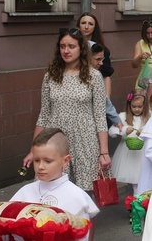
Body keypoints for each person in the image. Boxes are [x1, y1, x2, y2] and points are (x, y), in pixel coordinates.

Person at [24, 28, 110, 191]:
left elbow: (100, 116)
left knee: (85, 196)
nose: (66, 50)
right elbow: (44, 115)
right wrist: (33, 150)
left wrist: (103, 152)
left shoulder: (94, 77)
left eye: (71, 46)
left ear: (81, 49)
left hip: (85, 142)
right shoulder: (50, 76)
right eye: (63, 46)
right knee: (52, 192)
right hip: (55, 142)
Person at [12, 128, 99, 241]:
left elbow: (81, 236)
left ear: (65, 161)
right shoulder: (25, 191)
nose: (41, 166)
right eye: (37, 160)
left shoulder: (76, 196)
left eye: (48, 161)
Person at [109, 90, 151, 193]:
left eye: (140, 107)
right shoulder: (123, 116)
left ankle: (138, 201)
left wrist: (144, 131)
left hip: (143, 152)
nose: (136, 109)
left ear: (145, 106)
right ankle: (133, 200)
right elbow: (111, 131)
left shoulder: (149, 116)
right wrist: (124, 130)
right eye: (134, 106)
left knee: (139, 180)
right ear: (129, 105)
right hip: (127, 153)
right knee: (131, 181)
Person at [77, 12, 113, 96]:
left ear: (95, 27)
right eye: (83, 23)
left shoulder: (102, 50)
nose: (86, 27)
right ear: (78, 25)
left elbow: (106, 76)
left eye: (90, 24)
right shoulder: (73, 49)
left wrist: (107, 98)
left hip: (96, 91)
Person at [89, 43, 123, 128]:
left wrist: (117, 120)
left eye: (102, 59)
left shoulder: (96, 75)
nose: (101, 63)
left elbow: (104, 100)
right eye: (98, 59)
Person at [131, 18, 152, 90]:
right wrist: (140, 57)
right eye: (147, 33)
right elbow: (134, 65)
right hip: (145, 80)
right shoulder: (140, 44)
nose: (150, 36)